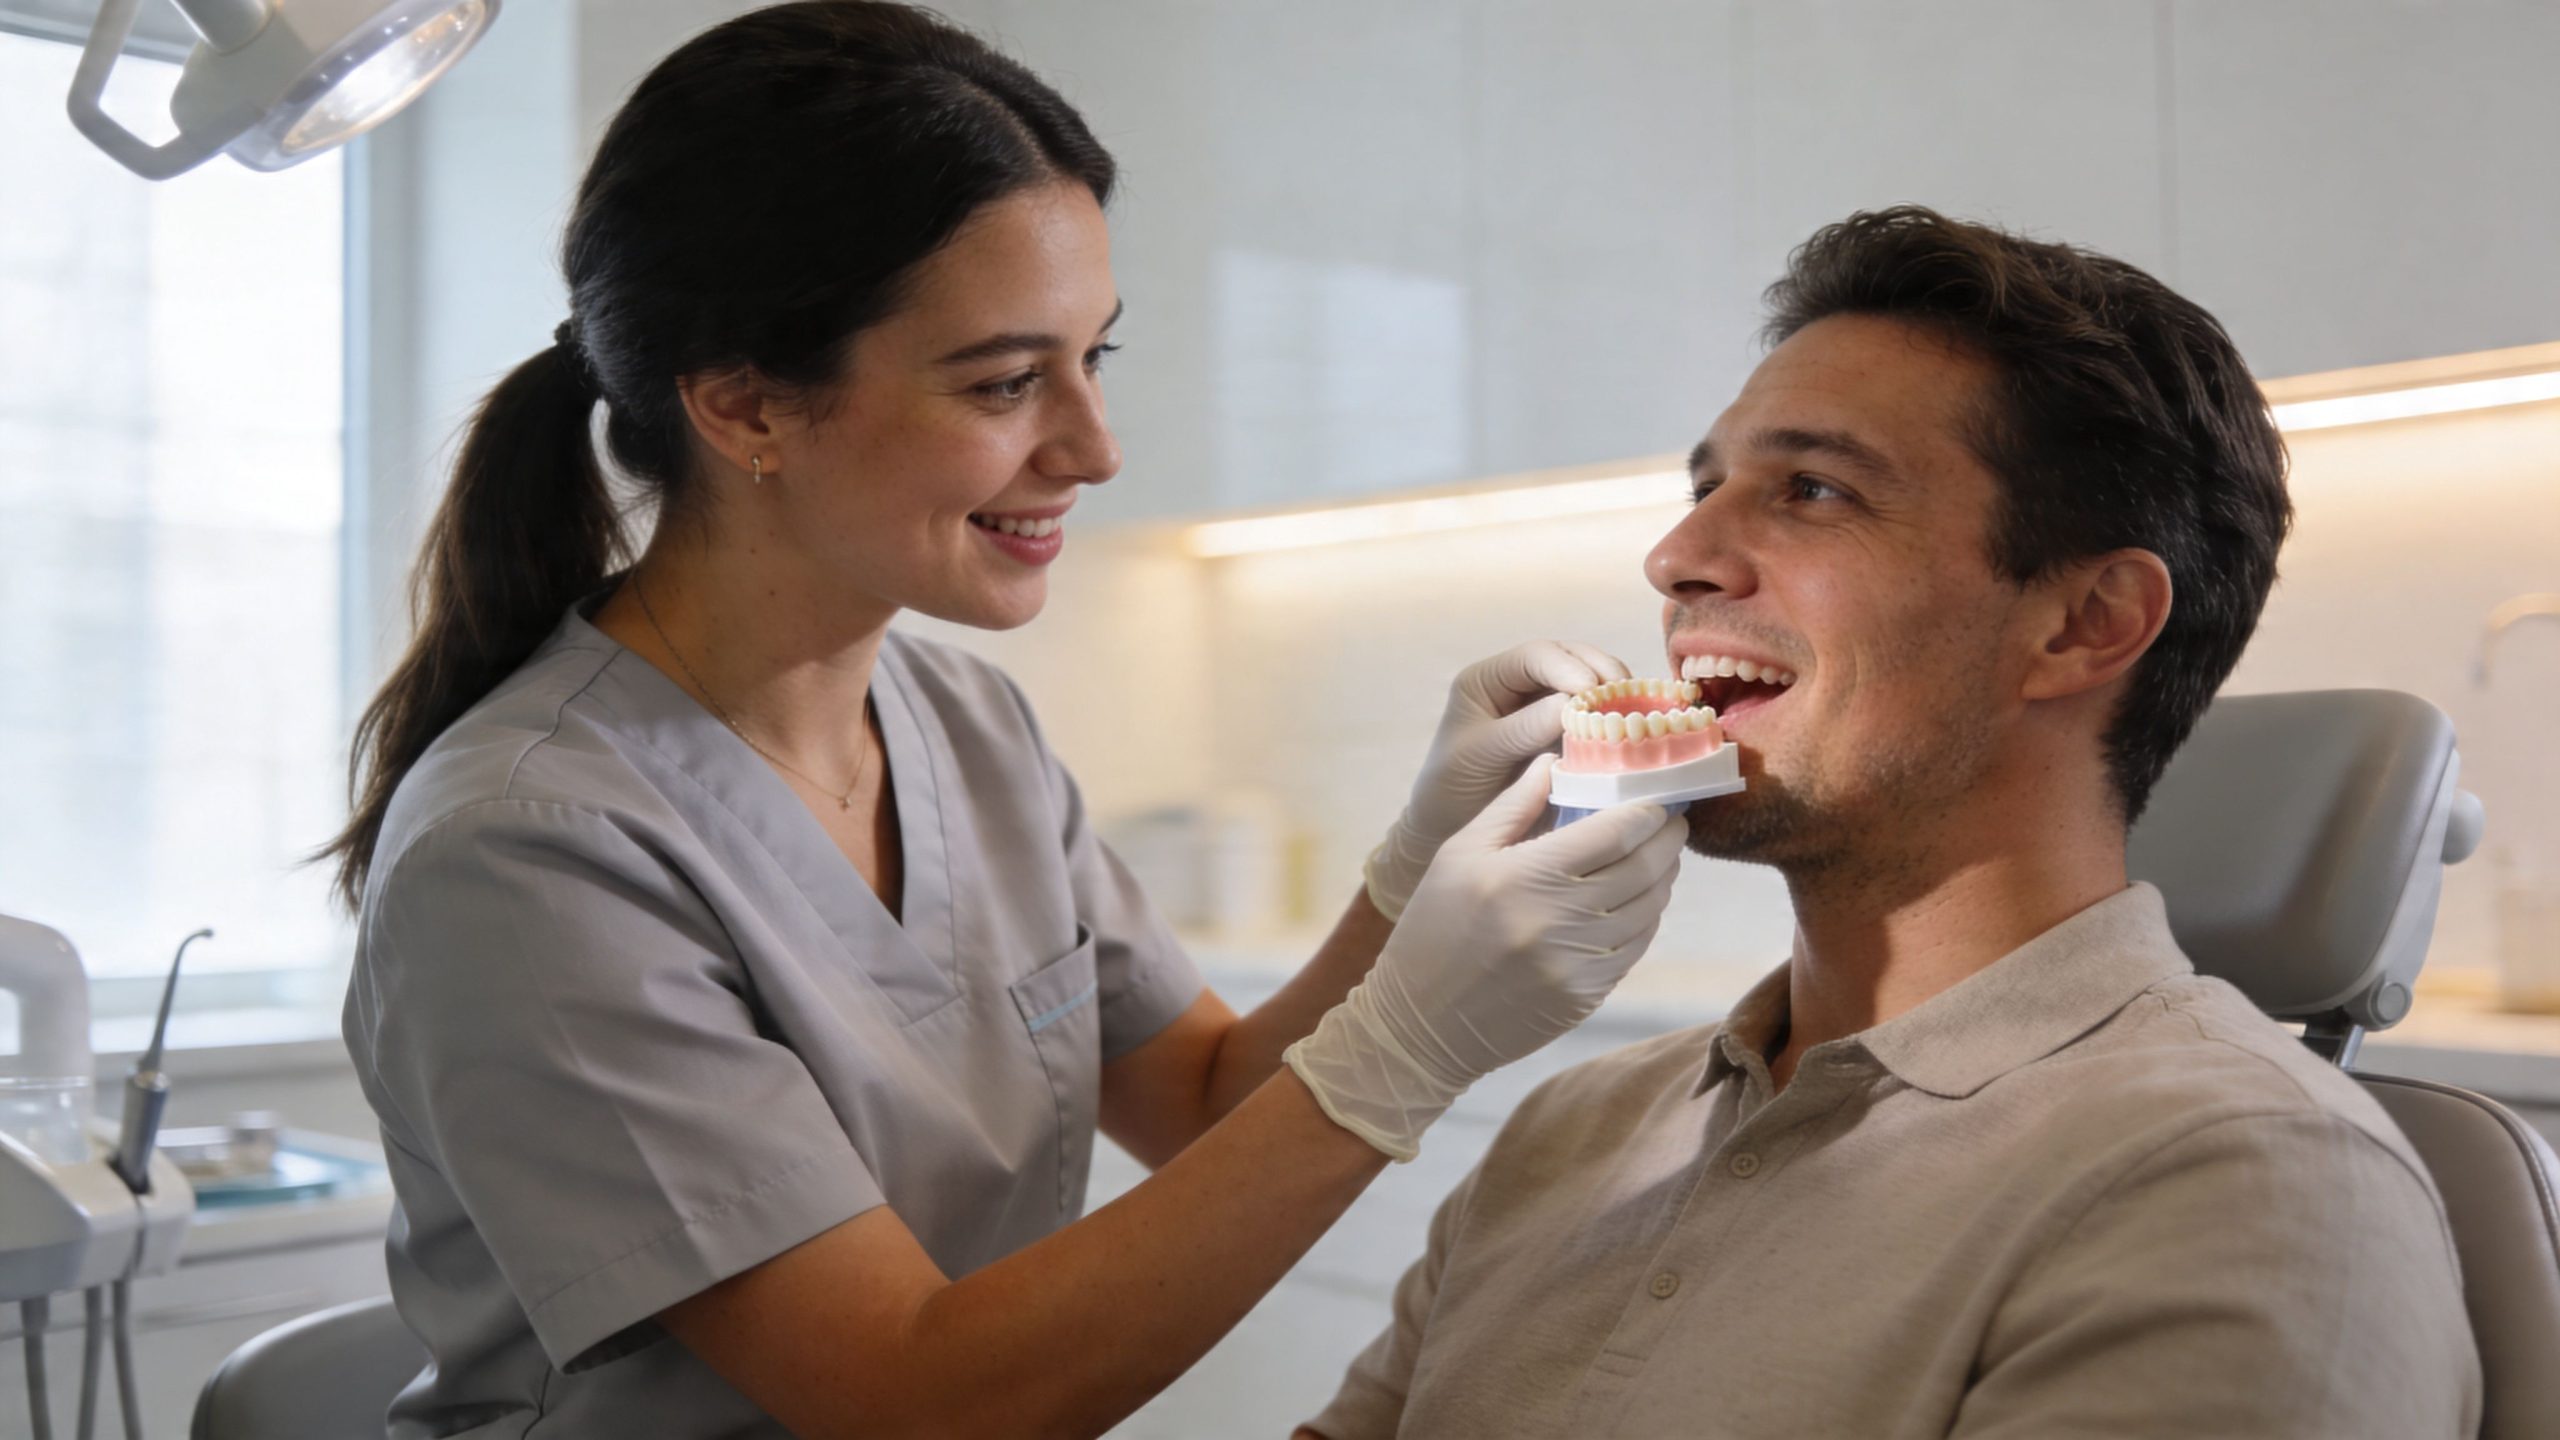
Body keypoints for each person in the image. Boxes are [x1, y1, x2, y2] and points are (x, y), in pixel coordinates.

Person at [324, 5, 1689, 1436]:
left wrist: (1412, 878)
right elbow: (915, 1395)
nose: (1094, 446)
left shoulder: (967, 727)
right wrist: (1404, 1047)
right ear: (745, 407)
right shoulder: (527, 852)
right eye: (1003, 381)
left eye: (1097, 356)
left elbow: (1206, 1102)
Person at [1297, 208, 2482, 1439]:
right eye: (1705, 489)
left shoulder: (2240, 1183)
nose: (1676, 555)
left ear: (2082, 624)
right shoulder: (1571, 1128)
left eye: (1812, 490)